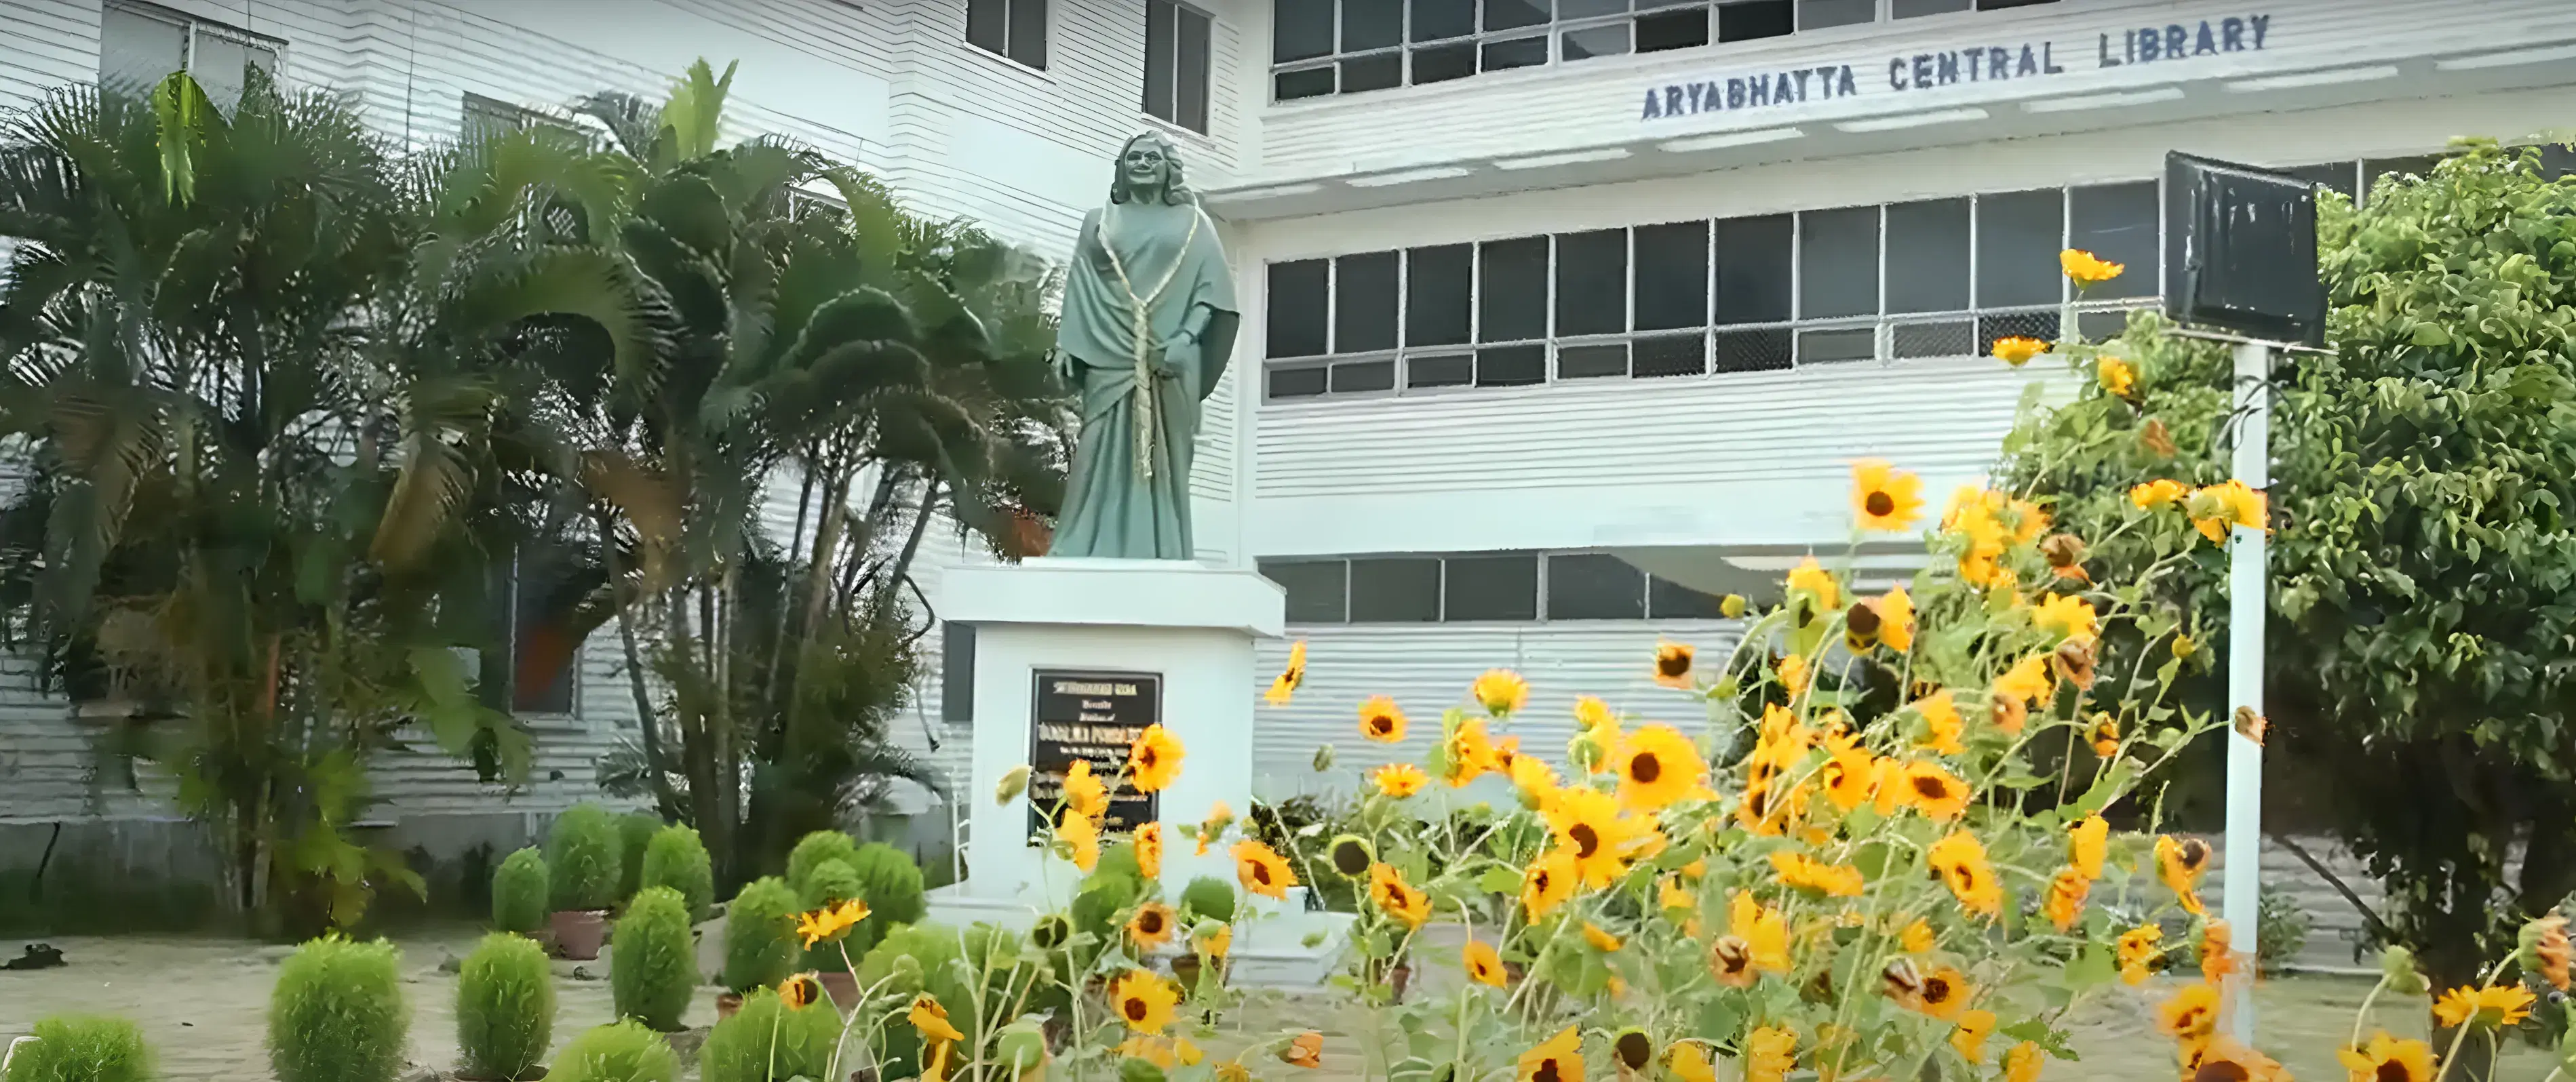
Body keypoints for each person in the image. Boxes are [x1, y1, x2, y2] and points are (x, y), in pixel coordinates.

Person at [1046, 132, 1241, 560]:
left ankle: (1161, 547)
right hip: (1107, 351)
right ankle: (1081, 543)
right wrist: (1069, 346)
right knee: (1096, 446)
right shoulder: (1099, 221)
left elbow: (1212, 293)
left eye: (1152, 157)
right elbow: (1082, 284)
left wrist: (1186, 338)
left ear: (1170, 168)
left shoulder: (1194, 224)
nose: (1142, 163)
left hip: (1170, 357)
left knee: (1165, 460)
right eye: (1133, 157)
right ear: (1121, 167)